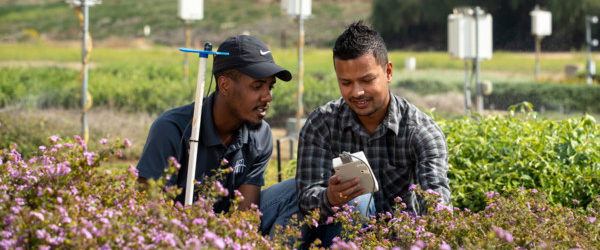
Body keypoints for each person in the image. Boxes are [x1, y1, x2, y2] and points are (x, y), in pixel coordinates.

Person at [296, 21, 452, 247]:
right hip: (340, 239)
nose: (357, 92)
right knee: (355, 199)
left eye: (367, 80)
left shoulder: (421, 131)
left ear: (388, 72)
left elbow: (437, 204)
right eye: (346, 83)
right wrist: (331, 197)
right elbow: (305, 200)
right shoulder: (322, 125)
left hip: (400, 240)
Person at [136, 35, 298, 237]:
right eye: (257, 86)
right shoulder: (172, 129)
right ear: (224, 85)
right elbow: (145, 209)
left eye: (270, 87)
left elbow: (245, 218)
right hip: (172, 234)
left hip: (222, 234)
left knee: (298, 190)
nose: (268, 97)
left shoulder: (261, 134)